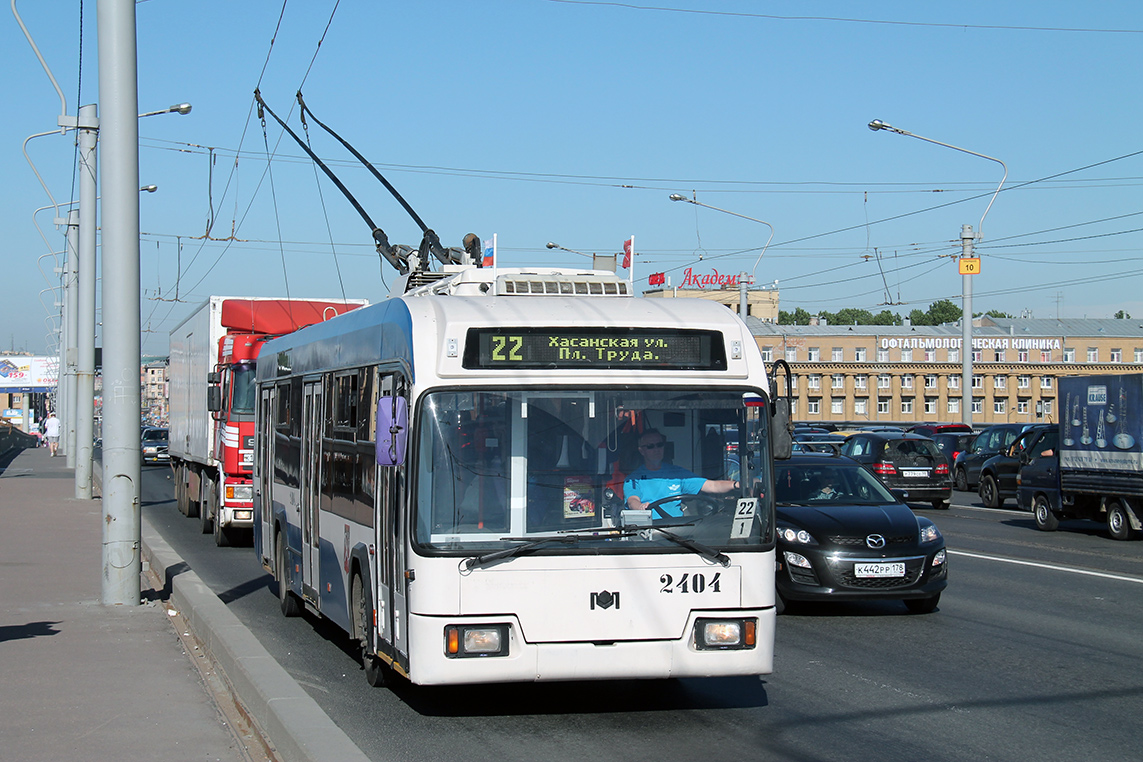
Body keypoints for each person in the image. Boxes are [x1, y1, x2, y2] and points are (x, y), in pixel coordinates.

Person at [624, 429, 738, 518]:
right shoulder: (633, 480)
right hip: (649, 532)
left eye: (660, 445)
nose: (656, 449)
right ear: (641, 451)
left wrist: (736, 485)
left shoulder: (677, 474)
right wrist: (640, 507)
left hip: (679, 531)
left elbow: (712, 485)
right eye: (650, 446)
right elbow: (632, 501)